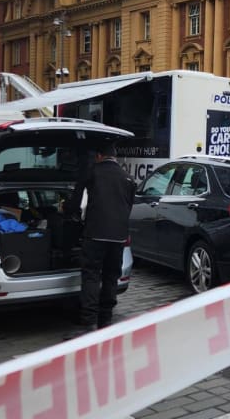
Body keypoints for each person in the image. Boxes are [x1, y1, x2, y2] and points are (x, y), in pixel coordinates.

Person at [64, 142, 136, 339]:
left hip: (95, 235)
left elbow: (77, 202)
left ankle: (89, 323)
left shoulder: (92, 173)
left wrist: (69, 213)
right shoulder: (128, 178)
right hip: (119, 237)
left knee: (91, 276)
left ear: (98, 156)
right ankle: (106, 320)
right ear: (114, 156)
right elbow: (127, 208)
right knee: (111, 277)